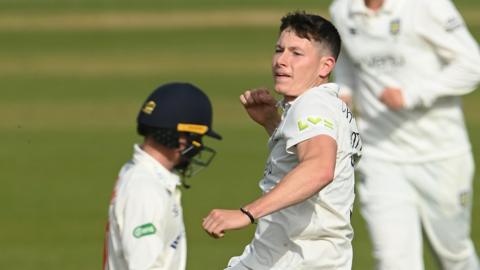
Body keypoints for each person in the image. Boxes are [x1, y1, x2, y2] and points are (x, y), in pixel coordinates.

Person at [202, 11, 362, 269]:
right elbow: (303, 158)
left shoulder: (312, 104)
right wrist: (272, 123)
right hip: (291, 255)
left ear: (326, 66)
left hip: (296, 259)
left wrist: (246, 213)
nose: (281, 61)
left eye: (296, 53)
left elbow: (320, 169)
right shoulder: (328, 105)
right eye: (279, 50)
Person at [329, 0, 480, 269]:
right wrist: (343, 97)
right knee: (393, 261)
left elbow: (472, 65)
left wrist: (412, 95)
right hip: (379, 153)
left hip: (441, 154)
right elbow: (347, 65)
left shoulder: (427, 6)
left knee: (453, 255)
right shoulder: (342, 10)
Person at [103, 82, 222, 270]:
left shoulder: (140, 174)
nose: (199, 146)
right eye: (198, 138)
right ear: (181, 138)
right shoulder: (146, 188)